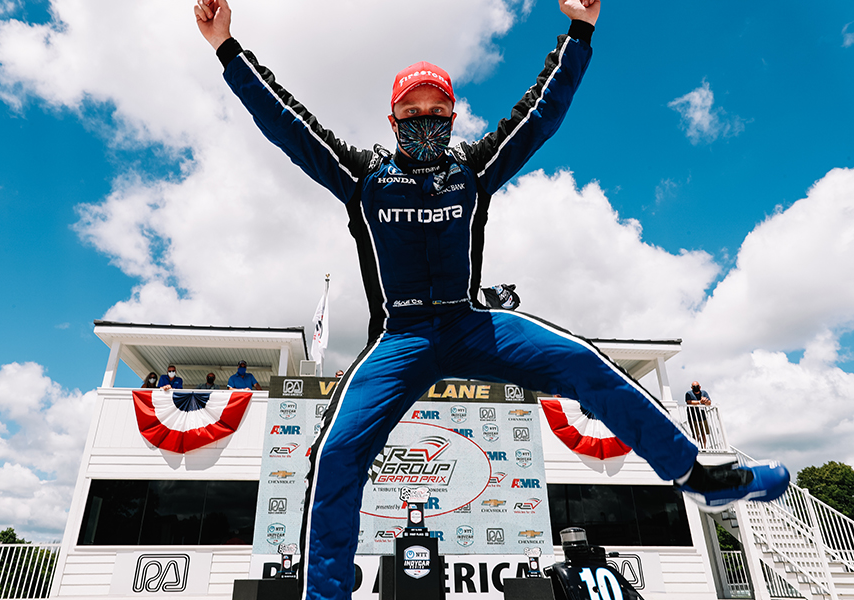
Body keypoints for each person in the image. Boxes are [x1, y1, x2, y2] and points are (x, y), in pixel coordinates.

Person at [194, 1, 790, 598]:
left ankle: (697, 475)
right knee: (334, 454)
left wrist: (580, 30)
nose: (424, 119)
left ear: (453, 115)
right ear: (393, 118)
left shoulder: (471, 173)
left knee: (582, 360)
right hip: (397, 340)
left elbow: (539, 116)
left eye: (436, 111)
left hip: (469, 324)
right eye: (412, 111)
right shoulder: (362, 179)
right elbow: (286, 124)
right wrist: (226, 47)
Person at [685, 380, 712, 448]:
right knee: (696, 434)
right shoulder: (689, 393)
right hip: (693, 417)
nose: (696, 387)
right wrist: (700, 402)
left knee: (703, 434)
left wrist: (705, 401)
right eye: (694, 386)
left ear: (700, 387)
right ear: (692, 387)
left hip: (702, 416)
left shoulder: (704, 393)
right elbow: (689, 402)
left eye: (697, 386)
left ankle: (704, 448)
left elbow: (709, 402)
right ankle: (695, 448)